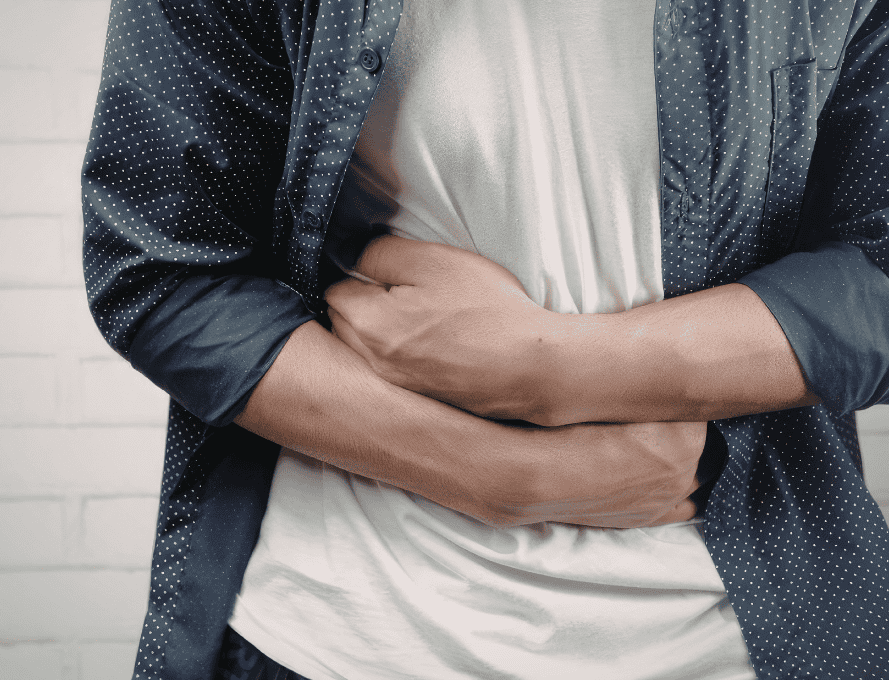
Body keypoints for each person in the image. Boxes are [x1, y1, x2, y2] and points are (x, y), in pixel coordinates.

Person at [81, 1, 889, 678]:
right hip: (334, 634)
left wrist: (551, 369)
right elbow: (165, 272)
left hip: (739, 635)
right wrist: (507, 475)